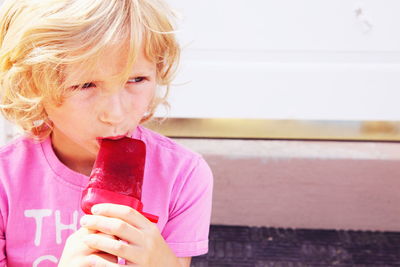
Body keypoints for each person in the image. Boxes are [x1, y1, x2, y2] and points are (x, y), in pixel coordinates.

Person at [0, 0, 213, 266]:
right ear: (31, 85)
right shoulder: (6, 179)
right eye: (86, 85)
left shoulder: (183, 175)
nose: (115, 114)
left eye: (136, 80)